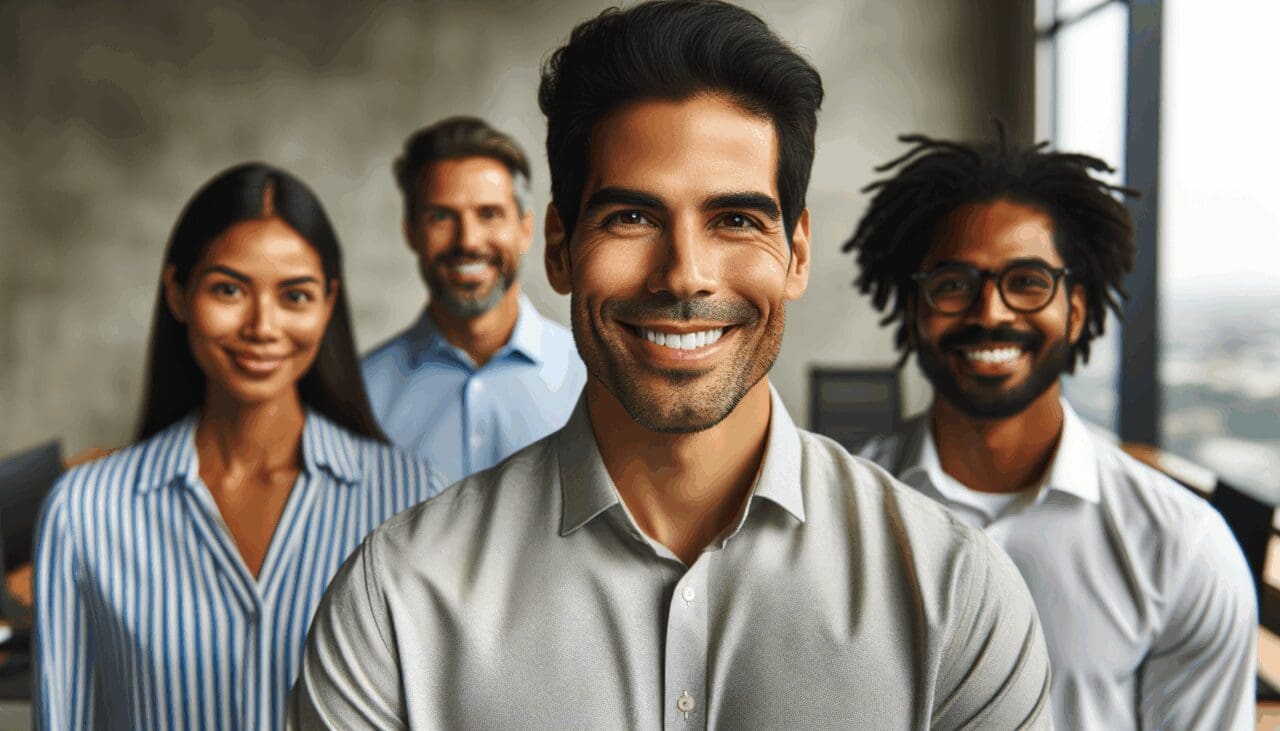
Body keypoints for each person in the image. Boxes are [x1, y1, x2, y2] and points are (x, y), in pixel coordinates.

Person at [289, 2, 1053, 728]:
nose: (684, 274)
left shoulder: (955, 594)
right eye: (632, 216)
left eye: (735, 219)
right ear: (558, 247)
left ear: (798, 253)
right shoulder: (396, 597)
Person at [845, 129, 1257, 729]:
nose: (991, 313)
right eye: (954, 284)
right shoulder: (832, 518)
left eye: (1028, 282)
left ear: (1079, 310)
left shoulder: (1181, 549)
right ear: (914, 311)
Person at [33, 163, 444, 730]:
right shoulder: (84, 510)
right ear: (177, 292)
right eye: (228, 289)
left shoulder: (410, 497)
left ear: (328, 303)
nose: (262, 325)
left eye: (295, 295)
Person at [362, 116, 586, 485]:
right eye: (441, 217)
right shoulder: (361, 397)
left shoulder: (591, 379)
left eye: (489, 214)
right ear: (411, 232)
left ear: (526, 229)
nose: (467, 240)